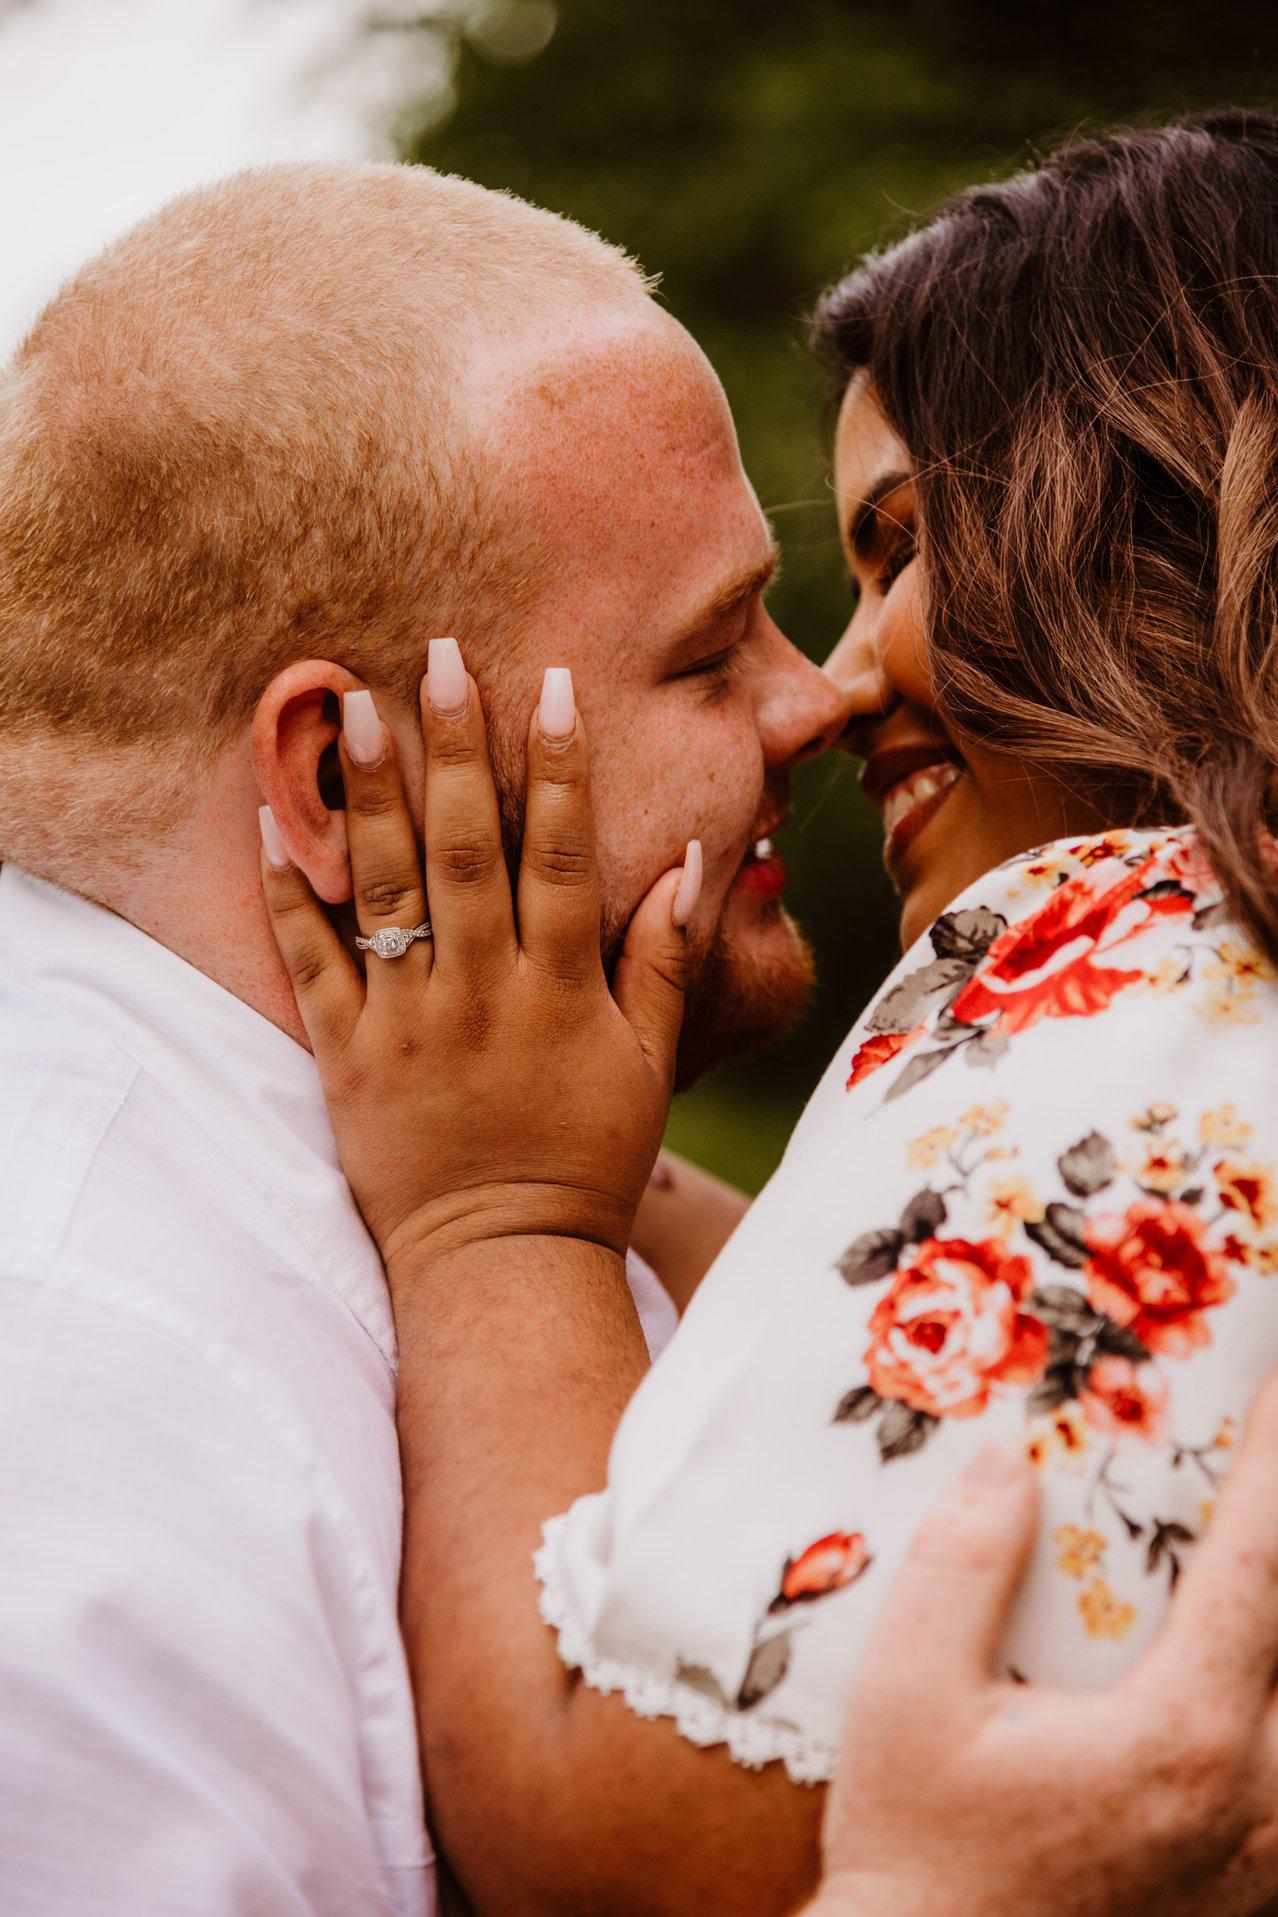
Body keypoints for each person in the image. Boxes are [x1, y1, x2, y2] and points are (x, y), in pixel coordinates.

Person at [3, 152, 1235, 1917]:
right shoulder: (81, 1387)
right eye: (710, 649)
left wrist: (515, 1204)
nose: (817, 696)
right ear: (345, 782)